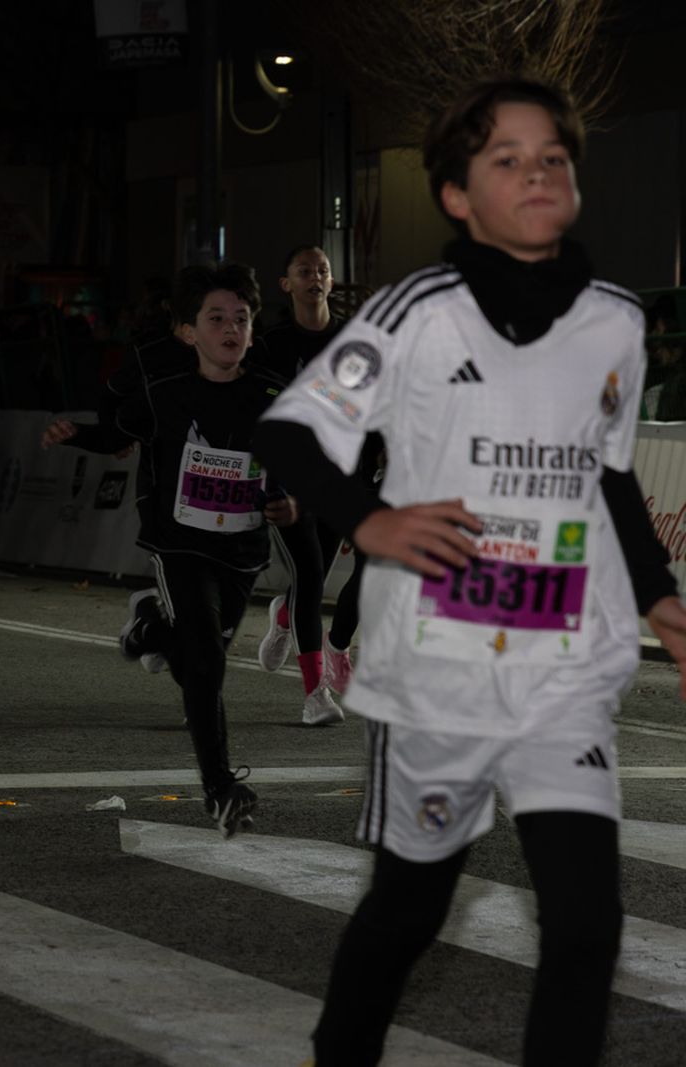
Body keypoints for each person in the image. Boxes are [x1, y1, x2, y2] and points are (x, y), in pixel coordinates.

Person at [253, 78, 686, 1066]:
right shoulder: (415, 314)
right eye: (507, 159)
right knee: (409, 909)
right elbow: (287, 434)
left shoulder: (616, 323)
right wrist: (372, 519)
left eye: (552, 157)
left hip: (563, 671)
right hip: (438, 674)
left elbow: (610, 475)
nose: (537, 173)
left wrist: (660, 596)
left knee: (587, 925)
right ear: (456, 194)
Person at [42, 262, 295, 837]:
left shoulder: (273, 393)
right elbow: (118, 435)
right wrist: (75, 434)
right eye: (216, 318)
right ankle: (220, 789)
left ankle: (150, 629)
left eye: (241, 319)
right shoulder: (165, 393)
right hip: (179, 544)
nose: (230, 328)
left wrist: (289, 503)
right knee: (205, 663)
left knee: (199, 661)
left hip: (242, 550)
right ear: (188, 331)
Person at [252, 246, 350, 725]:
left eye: (323, 270)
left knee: (316, 577)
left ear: (331, 281)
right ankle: (316, 694)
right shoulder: (271, 345)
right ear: (286, 284)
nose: (316, 277)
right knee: (310, 577)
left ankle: (284, 615)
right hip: (287, 482)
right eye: (305, 271)